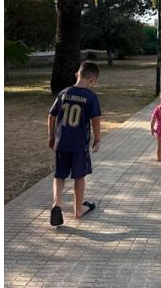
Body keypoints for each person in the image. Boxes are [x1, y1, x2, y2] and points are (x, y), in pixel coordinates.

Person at [47, 61, 102, 226]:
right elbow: (96, 120)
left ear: (77, 74)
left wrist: (51, 136)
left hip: (61, 141)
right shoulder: (91, 97)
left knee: (59, 174)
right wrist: (97, 138)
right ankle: (79, 209)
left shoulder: (64, 93)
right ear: (93, 80)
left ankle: (57, 203)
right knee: (79, 176)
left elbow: (51, 115)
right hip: (79, 145)